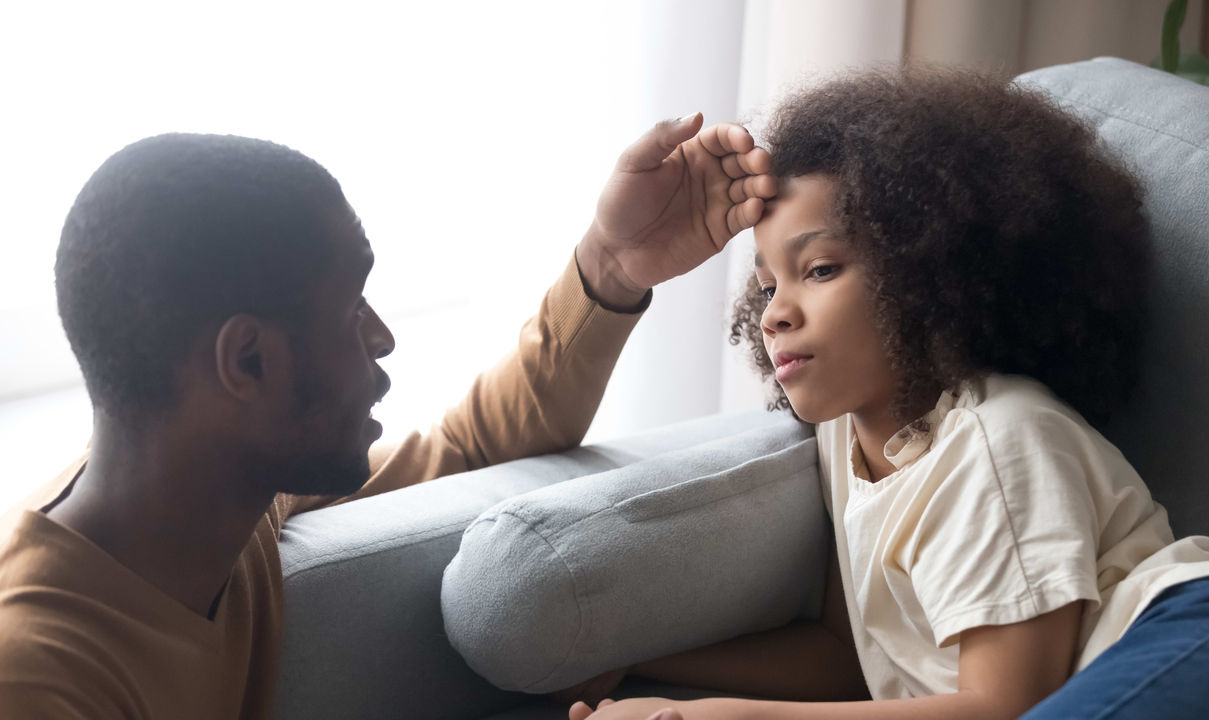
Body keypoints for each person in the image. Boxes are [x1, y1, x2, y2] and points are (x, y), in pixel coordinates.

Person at [0, 114, 776, 719]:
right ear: (247, 362)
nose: (383, 337)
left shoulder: (215, 499)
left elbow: (470, 448)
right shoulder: (32, 675)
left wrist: (610, 264)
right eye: (351, 309)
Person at [566, 69, 1209, 720]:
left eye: (818, 269)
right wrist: (646, 666)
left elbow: (1004, 707)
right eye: (766, 284)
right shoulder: (845, 440)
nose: (775, 312)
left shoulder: (1001, 440)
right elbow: (852, 662)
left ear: (930, 268)